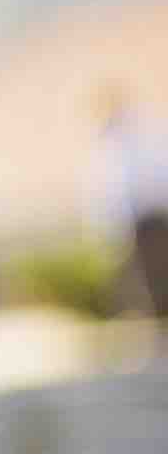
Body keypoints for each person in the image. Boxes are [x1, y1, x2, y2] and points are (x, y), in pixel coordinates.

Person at [89, 81, 168, 322]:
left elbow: (118, 191)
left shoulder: (129, 138)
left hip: (149, 221)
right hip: (144, 223)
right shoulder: (113, 142)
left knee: (157, 281)